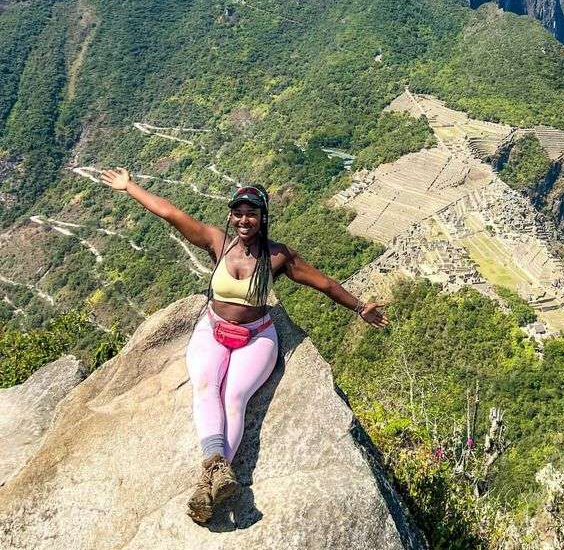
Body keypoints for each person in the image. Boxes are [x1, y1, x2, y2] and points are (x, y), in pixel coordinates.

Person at [101, 168, 388, 524]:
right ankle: (216, 473)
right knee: (206, 388)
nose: (244, 219)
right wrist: (130, 187)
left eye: (251, 213)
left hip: (257, 335)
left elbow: (324, 283)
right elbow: (169, 212)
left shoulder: (277, 257)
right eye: (238, 212)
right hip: (213, 329)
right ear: (230, 215)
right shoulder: (216, 243)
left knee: (234, 397)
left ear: (263, 217)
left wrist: (360, 307)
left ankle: (208, 483)